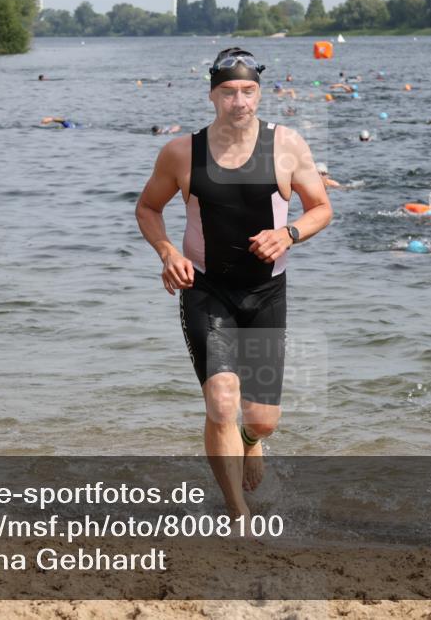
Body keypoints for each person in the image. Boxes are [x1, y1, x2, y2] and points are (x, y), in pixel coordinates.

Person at [135, 47, 332, 518]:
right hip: (206, 290)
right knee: (222, 400)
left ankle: (250, 442)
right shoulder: (183, 152)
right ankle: (237, 511)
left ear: (259, 94)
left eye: (247, 91)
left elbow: (322, 208)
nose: (239, 101)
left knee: (262, 421)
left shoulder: (287, 145)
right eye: (228, 92)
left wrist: (288, 234)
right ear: (212, 96)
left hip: (266, 293)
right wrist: (168, 253)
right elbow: (148, 208)